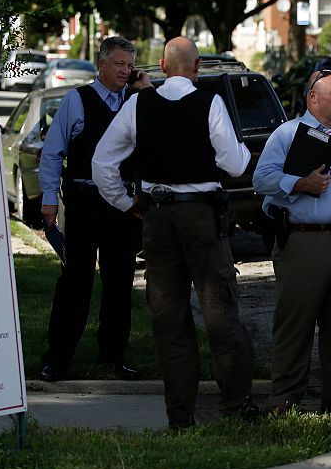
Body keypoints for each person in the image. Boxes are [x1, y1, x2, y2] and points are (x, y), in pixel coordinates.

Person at [92, 36, 258, 428]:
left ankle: (180, 414)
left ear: (162, 68)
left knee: (169, 316)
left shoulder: (138, 104)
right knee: (219, 310)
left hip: (158, 217)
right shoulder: (210, 103)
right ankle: (236, 404)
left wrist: (126, 203)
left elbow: (103, 162)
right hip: (202, 217)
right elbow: (234, 164)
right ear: (197, 68)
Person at [253, 68, 331, 414]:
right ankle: (285, 401)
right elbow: (262, 179)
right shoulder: (287, 134)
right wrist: (300, 184)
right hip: (305, 242)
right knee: (295, 324)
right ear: (313, 97)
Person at [38, 36, 150, 383]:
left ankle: (113, 357)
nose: (125, 71)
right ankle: (57, 358)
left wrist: (143, 90)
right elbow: (54, 151)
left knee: (119, 283)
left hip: (124, 207)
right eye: (119, 64)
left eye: (130, 65)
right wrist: (48, 197)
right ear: (101, 64)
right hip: (85, 202)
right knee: (76, 281)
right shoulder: (77, 100)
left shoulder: (136, 101)